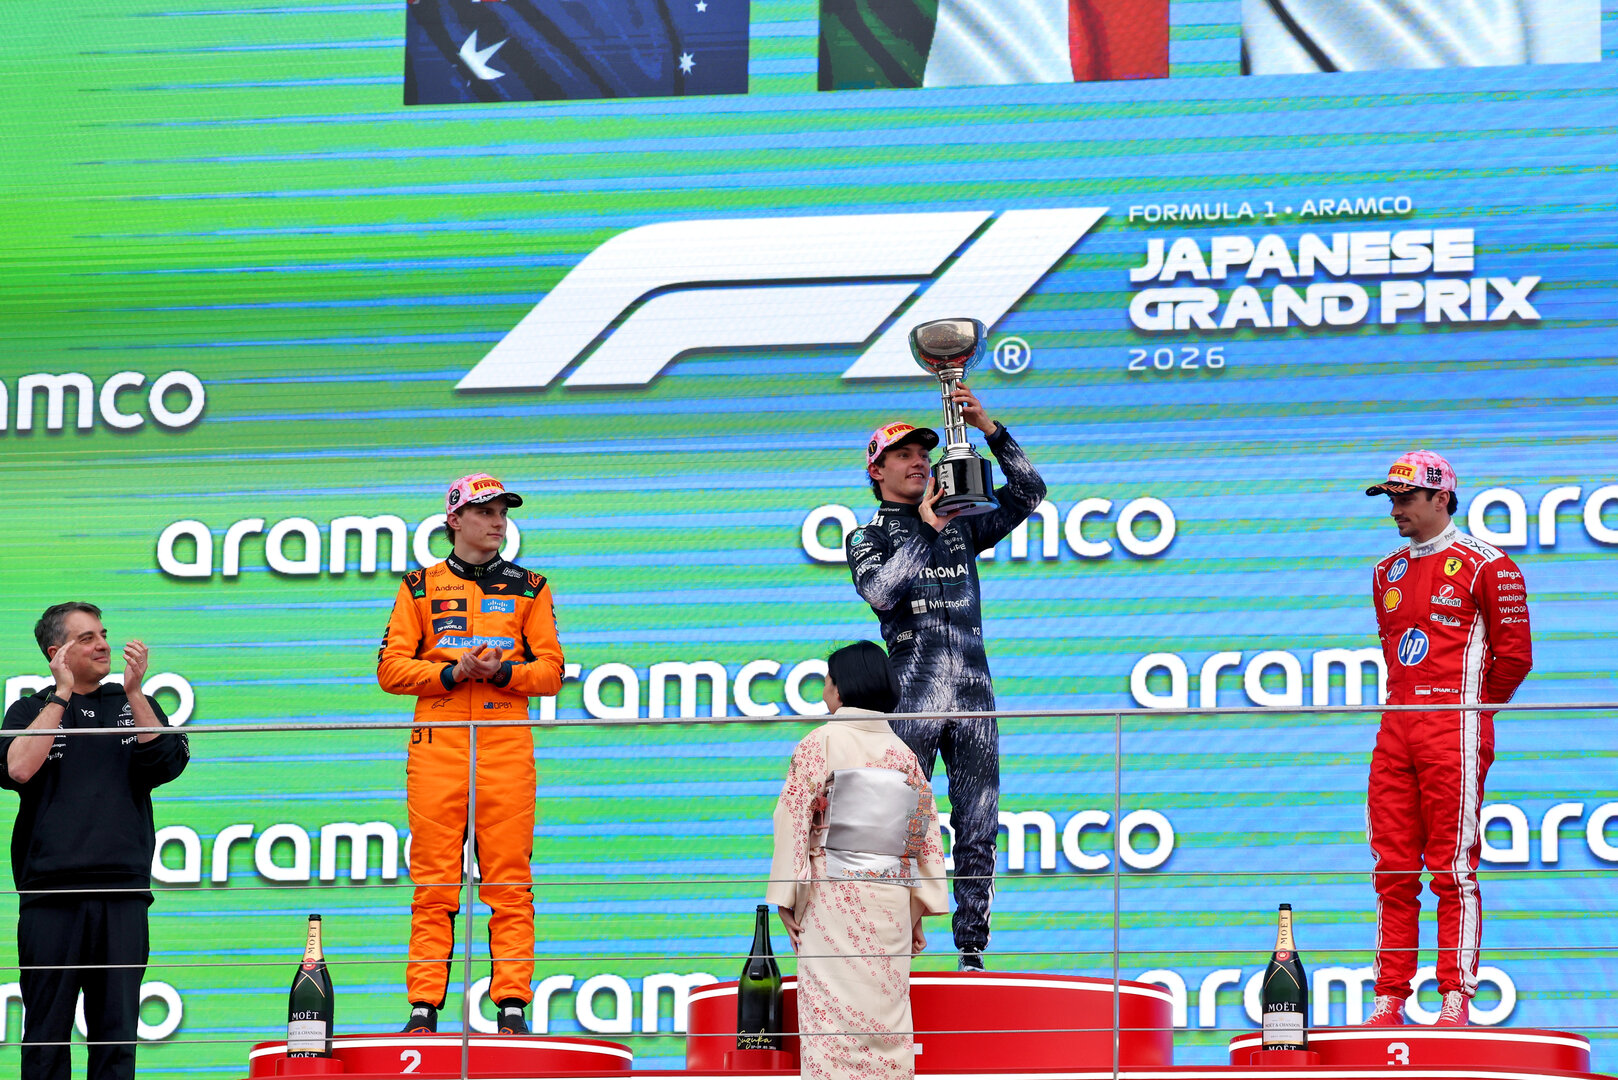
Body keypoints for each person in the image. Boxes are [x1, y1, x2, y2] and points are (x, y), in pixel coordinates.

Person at [846, 384, 1046, 970]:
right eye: (905, 455)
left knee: (979, 821)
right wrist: (929, 528)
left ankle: (971, 951)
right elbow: (880, 592)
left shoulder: (963, 526)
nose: (919, 463)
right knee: (893, 821)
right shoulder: (869, 536)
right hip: (911, 699)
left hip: (975, 697)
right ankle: (884, 941)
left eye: (925, 454)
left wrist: (991, 430)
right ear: (877, 470)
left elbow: (1030, 492)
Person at [377, 473, 564, 1035]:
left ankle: (511, 1006)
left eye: (503, 512)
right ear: (454, 520)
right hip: (439, 745)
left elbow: (552, 673)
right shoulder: (418, 586)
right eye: (484, 512)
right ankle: (423, 1010)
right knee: (433, 883)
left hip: (506, 746)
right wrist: (455, 672)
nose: (498, 521)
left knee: (510, 882)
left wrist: (503, 672)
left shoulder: (531, 586)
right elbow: (389, 669)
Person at [1361, 451, 1532, 1027]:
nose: (1395, 511)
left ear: (1442, 498)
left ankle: (1455, 996)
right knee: (1391, 867)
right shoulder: (1387, 569)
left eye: (1405, 499)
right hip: (1395, 726)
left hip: (1452, 726)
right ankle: (1390, 997)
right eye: (1390, 500)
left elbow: (1513, 657)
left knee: (1453, 867)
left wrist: (1469, 713)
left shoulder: (1489, 565)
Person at [1, 602, 189, 1080]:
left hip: (122, 895)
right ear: (56, 651)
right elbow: (19, 767)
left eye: (103, 633)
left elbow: (168, 763)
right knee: (44, 1039)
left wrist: (135, 691)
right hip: (50, 897)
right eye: (86, 637)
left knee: (116, 1039)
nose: (104, 644)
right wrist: (61, 696)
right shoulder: (29, 709)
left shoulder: (134, 704)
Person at [766, 641, 948, 1079]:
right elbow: (922, 838)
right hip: (888, 903)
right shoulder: (905, 756)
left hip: (834, 900)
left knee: (831, 1025)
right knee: (888, 1027)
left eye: (828, 679)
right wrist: (915, 911)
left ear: (841, 688)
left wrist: (786, 897)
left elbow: (792, 816)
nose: (825, 687)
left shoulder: (821, 741)